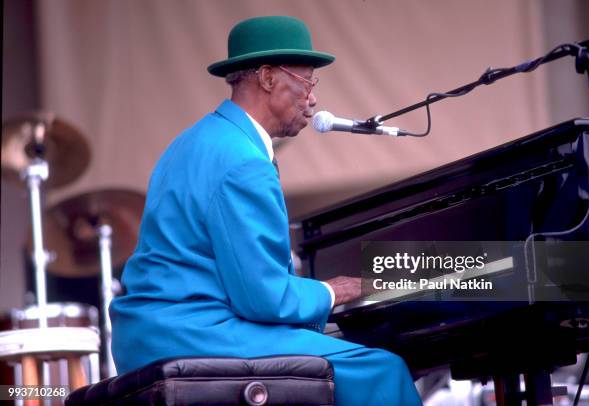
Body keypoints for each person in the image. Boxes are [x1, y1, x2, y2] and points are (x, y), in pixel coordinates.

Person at [110, 15, 421, 405]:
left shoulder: (192, 141)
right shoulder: (243, 160)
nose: (313, 99)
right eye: (307, 82)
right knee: (380, 370)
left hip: (147, 334)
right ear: (269, 78)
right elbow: (264, 299)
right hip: (193, 333)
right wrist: (335, 289)